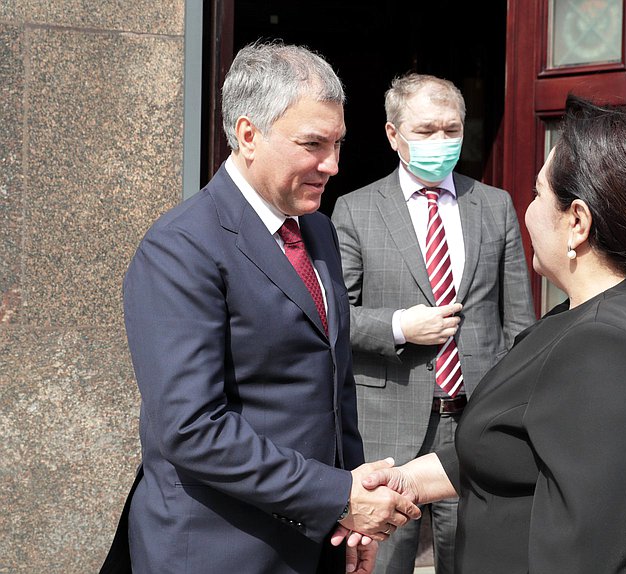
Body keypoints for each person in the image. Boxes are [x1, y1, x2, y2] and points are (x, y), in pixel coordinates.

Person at [346, 95, 626, 573]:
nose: (528, 210)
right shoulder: (608, 310)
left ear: (578, 222)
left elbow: (582, 555)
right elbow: (522, 447)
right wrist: (408, 483)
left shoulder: (609, 351)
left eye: (539, 194)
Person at [111, 42, 421, 574]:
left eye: (338, 143)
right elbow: (191, 429)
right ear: (249, 135)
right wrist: (338, 498)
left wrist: (349, 519)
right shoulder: (182, 246)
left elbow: (331, 387)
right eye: (312, 144)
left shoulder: (318, 230)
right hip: (218, 550)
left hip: (314, 541)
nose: (333, 165)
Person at [330, 73, 535, 573]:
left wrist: (516, 413)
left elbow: (519, 323)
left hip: (477, 420)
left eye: (452, 130)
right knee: (383, 559)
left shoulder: (493, 205)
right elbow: (335, 317)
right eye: (425, 131)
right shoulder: (355, 211)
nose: (441, 143)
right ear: (393, 135)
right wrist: (401, 326)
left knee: (476, 558)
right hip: (389, 421)